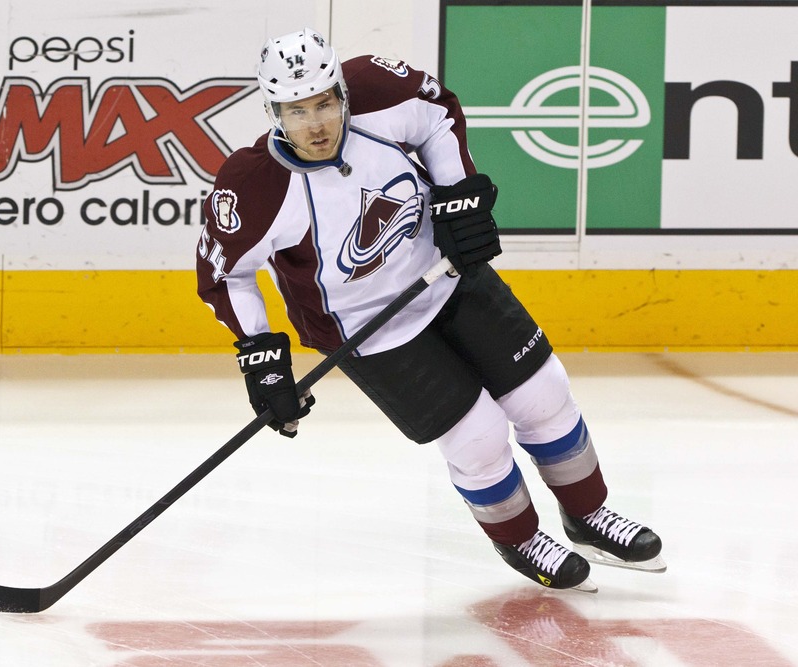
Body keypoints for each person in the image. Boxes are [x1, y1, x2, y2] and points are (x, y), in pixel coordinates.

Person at [195, 27, 664, 591]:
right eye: (296, 111)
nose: (316, 125)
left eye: (324, 103)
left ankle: (587, 516)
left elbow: (439, 113)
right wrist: (262, 360)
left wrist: (457, 197)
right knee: (479, 437)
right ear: (273, 111)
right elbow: (226, 275)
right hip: (368, 329)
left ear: (343, 91)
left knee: (545, 394)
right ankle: (519, 539)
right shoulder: (252, 187)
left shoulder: (379, 91)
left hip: (448, 276)